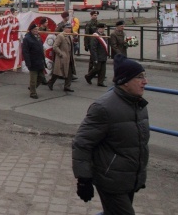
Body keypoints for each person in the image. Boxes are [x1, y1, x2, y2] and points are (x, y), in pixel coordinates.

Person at [72, 54, 149, 214]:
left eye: (145, 76)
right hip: (111, 181)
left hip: (128, 178)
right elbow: (82, 143)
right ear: (125, 81)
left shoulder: (138, 104)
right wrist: (83, 179)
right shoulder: (104, 108)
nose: (145, 81)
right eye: (139, 77)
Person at [48, 23, 77, 92]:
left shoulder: (70, 35)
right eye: (68, 28)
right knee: (58, 72)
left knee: (69, 72)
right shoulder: (61, 36)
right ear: (64, 29)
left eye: (70, 28)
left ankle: (67, 86)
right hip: (62, 57)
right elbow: (55, 46)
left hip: (69, 57)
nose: (69, 29)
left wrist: (75, 37)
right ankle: (51, 82)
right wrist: (61, 54)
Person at [22, 24, 47, 99]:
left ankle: (32, 87)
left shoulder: (38, 36)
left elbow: (41, 47)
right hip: (32, 61)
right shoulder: (27, 38)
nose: (36, 31)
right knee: (33, 79)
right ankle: (33, 93)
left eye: (37, 29)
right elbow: (25, 52)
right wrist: (28, 63)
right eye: (35, 30)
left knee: (42, 77)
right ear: (31, 30)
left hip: (40, 60)